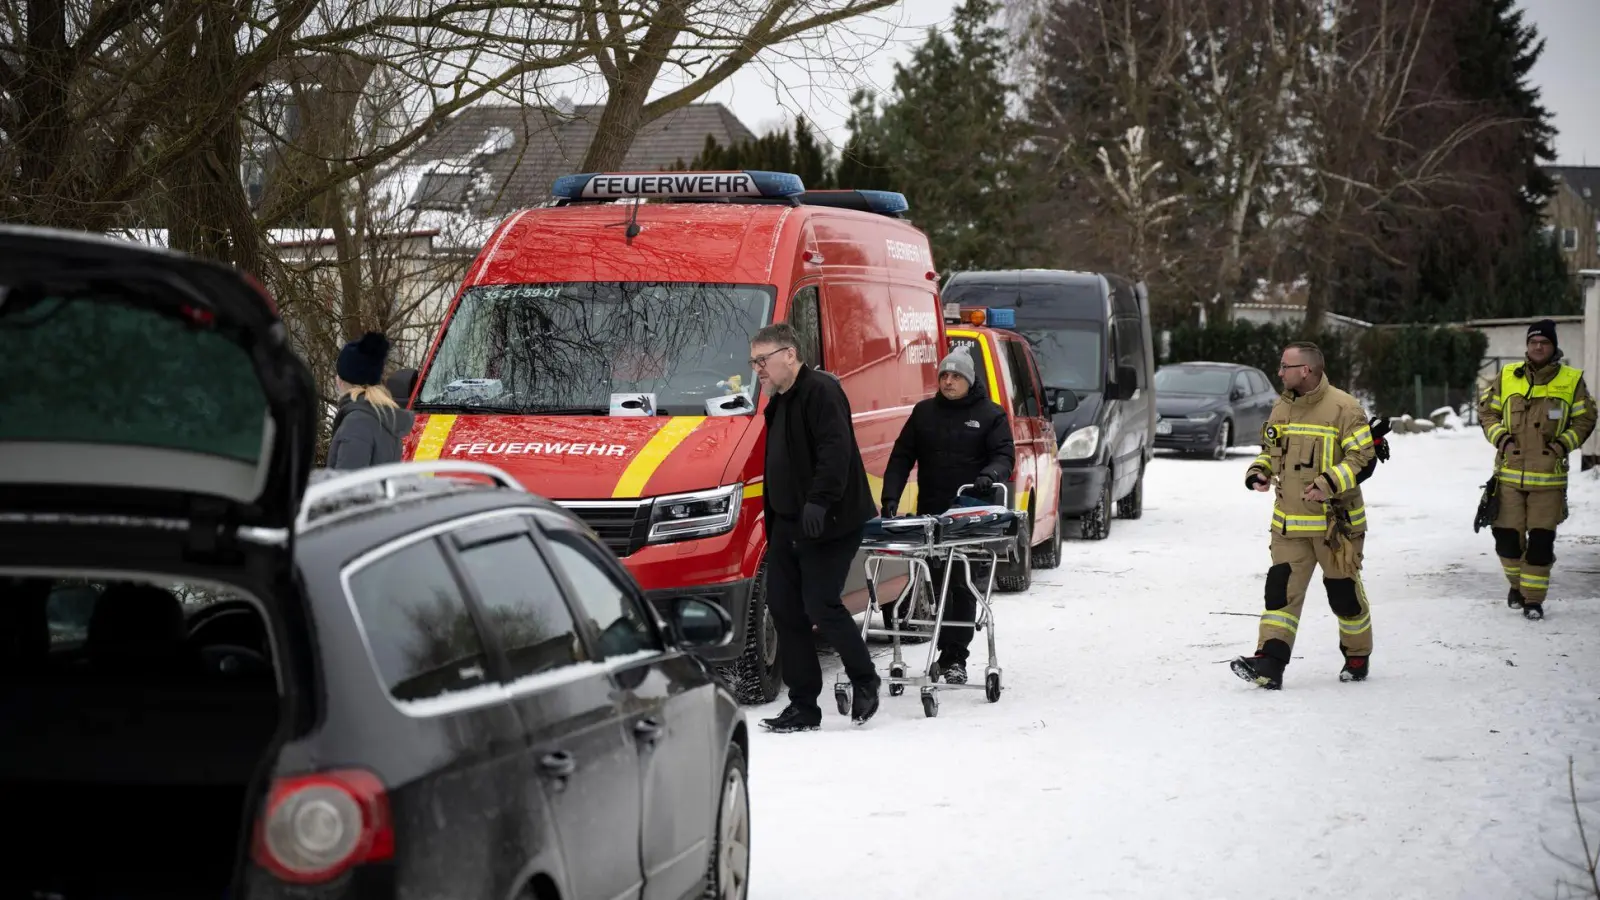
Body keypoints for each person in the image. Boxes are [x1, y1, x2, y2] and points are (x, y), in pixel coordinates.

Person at [749, 323, 881, 732]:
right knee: (784, 608)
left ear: (789, 354)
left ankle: (865, 679)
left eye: (763, 360)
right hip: (788, 523)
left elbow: (835, 451)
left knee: (821, 604)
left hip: (830, 521)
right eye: (754, 362)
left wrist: (820, 501)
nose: (758, 369)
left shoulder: (822, 391)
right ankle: (803, 705)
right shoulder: (778, 402)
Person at [1232, 341, 1377, 690]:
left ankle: (1357, 656)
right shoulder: (1282, 407)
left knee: (1343, 595)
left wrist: (1329, 483)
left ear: (1306, 370)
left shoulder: (1345, 408)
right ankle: (1269, 664)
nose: (1280, 372)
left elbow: (1363, 459)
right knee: (1280, 595)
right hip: (1289, 525)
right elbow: (1270, 451)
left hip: (1335, 528)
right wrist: (1259, 471)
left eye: (1286, 366)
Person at [878, 347, 1015, 685]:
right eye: (944, 376)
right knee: (938, 582)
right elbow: (901, 456)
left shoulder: (990, 415)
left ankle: (956, 657)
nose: (949, 381)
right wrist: (890, 495)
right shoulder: (924, 413)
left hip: (971, 515)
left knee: (962, 583)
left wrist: (990, 474)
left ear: (969, 380)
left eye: (955, 376)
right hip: (933, 516)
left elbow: (1004, 455)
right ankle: (945, 650)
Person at [1477, 319, 1594, 620]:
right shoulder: (1507, 376)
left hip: (1548, 479)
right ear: (1527, 346)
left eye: (1544, 342)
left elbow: (1585, 419)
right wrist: (1501, 439)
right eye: (1533, 342)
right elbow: (1487, 413)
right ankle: (1517, 587)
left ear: (1553, 346)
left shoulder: (1571, 380)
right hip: (1509, 476)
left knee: (1541, 543)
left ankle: (1533, 601)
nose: (1538, 347)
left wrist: (1562, 445)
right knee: (1506, 540)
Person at [327, 331, 415, 470]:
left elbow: (348, 481)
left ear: (343, 380)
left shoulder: (356, 422)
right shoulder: (385, 416)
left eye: (338, 374)